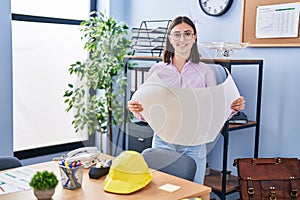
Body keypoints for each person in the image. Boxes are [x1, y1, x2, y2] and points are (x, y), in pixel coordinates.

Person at [128, 16, 245, 184]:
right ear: (169, 39)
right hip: (163, 139)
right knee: (161, 189)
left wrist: (233, 107)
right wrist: (138, 109)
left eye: (187, 34)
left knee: (194, 190)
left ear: (194, 37)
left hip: (194, 143)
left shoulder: (205, 71)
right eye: (176, 34)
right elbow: (149, 107)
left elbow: (214, 110)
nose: (182, 39)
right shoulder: (157, 70)